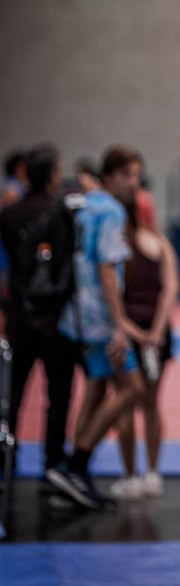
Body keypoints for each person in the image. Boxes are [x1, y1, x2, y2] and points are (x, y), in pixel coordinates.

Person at [46, 146, 145, 510]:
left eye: (137, 176)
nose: (134, 184)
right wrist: (119, 326)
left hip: (77, 317)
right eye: (128, 175)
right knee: (133, 389)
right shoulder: (112, 211)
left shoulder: (85, 206)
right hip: (100, 320)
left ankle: (72, 476)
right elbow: (107, 269)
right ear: (110, 176)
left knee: (97, 390)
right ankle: (77, 464)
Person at [0, 143, 77, 481]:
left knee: (12, 393)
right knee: (58, 394)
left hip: (19, 313)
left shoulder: (9, 214)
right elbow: (68, 263)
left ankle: (7, 458)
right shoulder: (62, 212)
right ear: (52, 175)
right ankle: (53, 462)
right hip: (56, 317)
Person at [109, 186, 180, 500]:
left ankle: (133, 475)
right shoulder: (160, 245)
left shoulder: (121, 245)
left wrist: (134, 331)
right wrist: (156, 332)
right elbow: (170, 290)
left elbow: (113, 294)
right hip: (150, 333)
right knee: (150, 404)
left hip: (132, 332)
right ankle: (150, 473)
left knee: (127, 402)